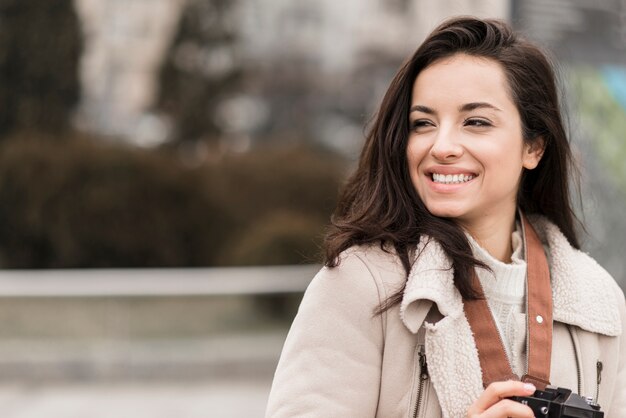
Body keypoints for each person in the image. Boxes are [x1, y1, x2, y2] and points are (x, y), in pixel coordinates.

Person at [265, 16, 626, 418]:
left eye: (475, 122)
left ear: (534, 148)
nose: (442, 145)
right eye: (423, 124)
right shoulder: (360, 285)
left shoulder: (597, 300)